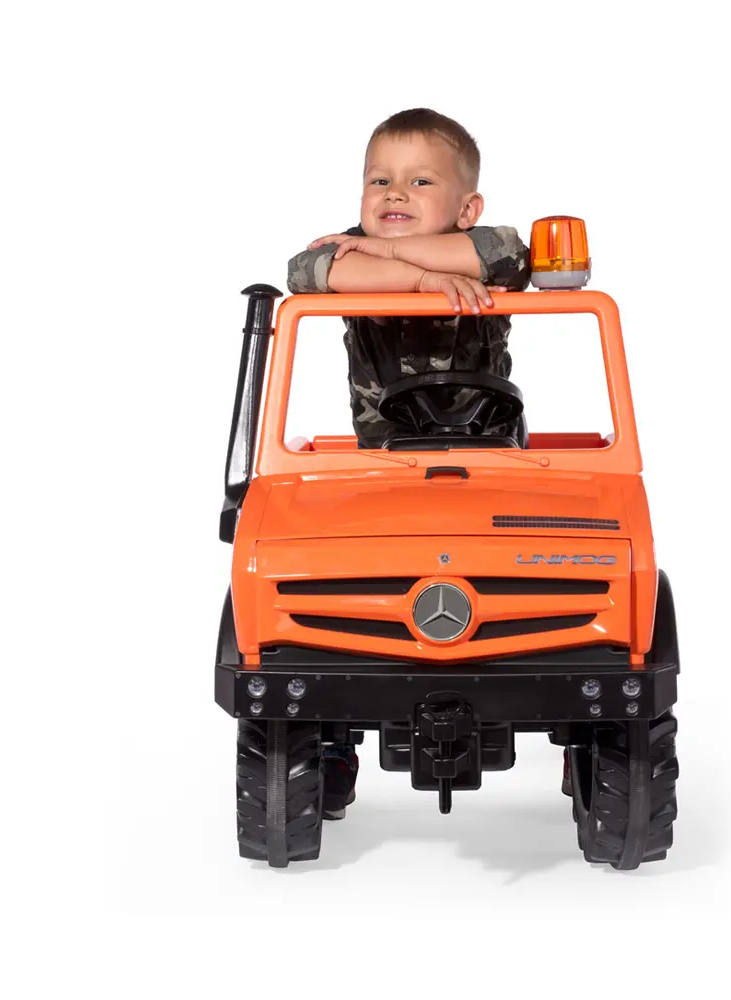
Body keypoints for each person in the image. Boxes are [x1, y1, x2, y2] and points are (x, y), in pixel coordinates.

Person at [286, 107, 531, 819]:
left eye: (420, 182)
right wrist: (417, 279)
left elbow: (504, 258)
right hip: (384, 469)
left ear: (467, 208)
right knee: (334, 587)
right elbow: (308, 269)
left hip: (492, 466)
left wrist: (397, 257)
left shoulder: (491, 246)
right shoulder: (343, 256)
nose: (395, 193)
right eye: (380, 181)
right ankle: (328, 740)